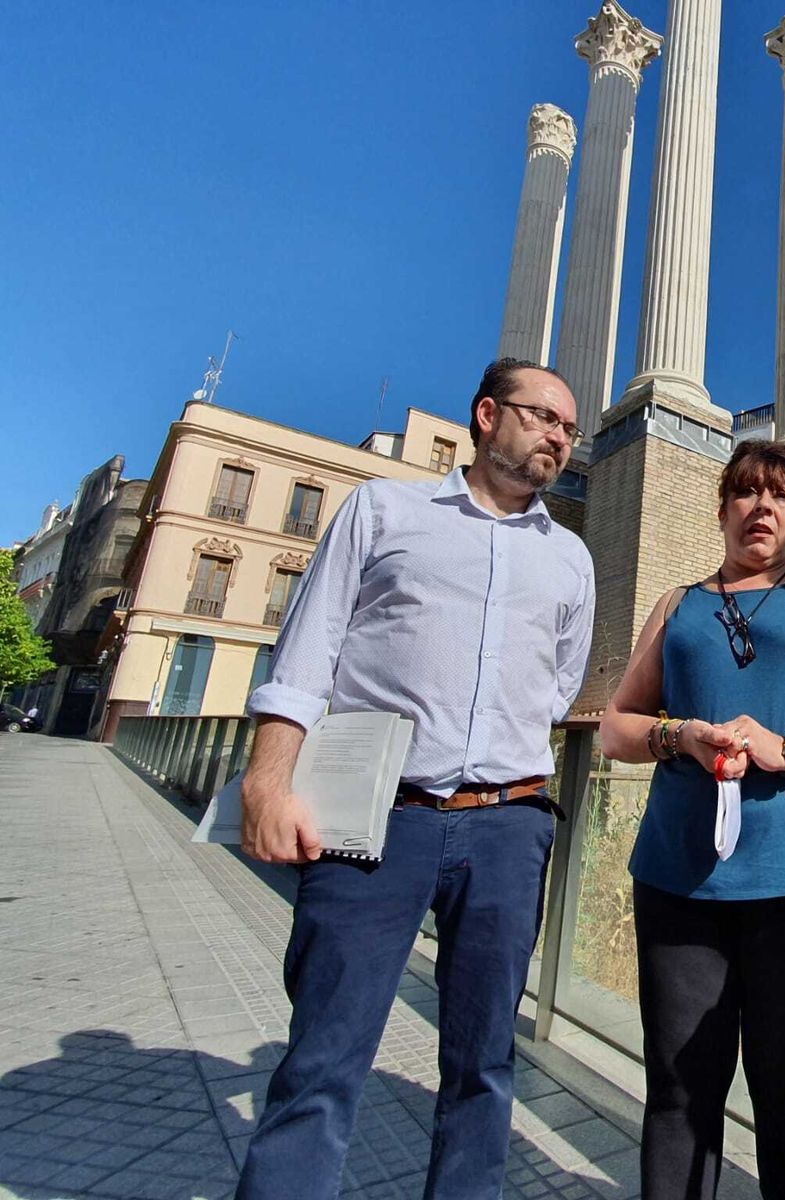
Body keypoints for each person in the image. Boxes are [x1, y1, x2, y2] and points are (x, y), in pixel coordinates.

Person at [234, 357, 595, 1200]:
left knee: (485, 1065)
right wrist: (267, 784)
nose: (559, 437)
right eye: (543, 416)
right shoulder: (384, 510)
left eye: (570, 428)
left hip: (509, 824)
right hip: (377, 820)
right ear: (487, 414)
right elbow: (307, 654)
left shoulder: (572, 559)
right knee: (324, 1056)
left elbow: (559, 687)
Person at [598, 439, 785, 1200]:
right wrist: (679, 736)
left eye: (781, 494)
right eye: (746, 491)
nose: (762, 506)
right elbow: (616, 726)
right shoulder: (678, 604)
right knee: (679, 1085)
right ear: (722, 508)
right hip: (679, 881)